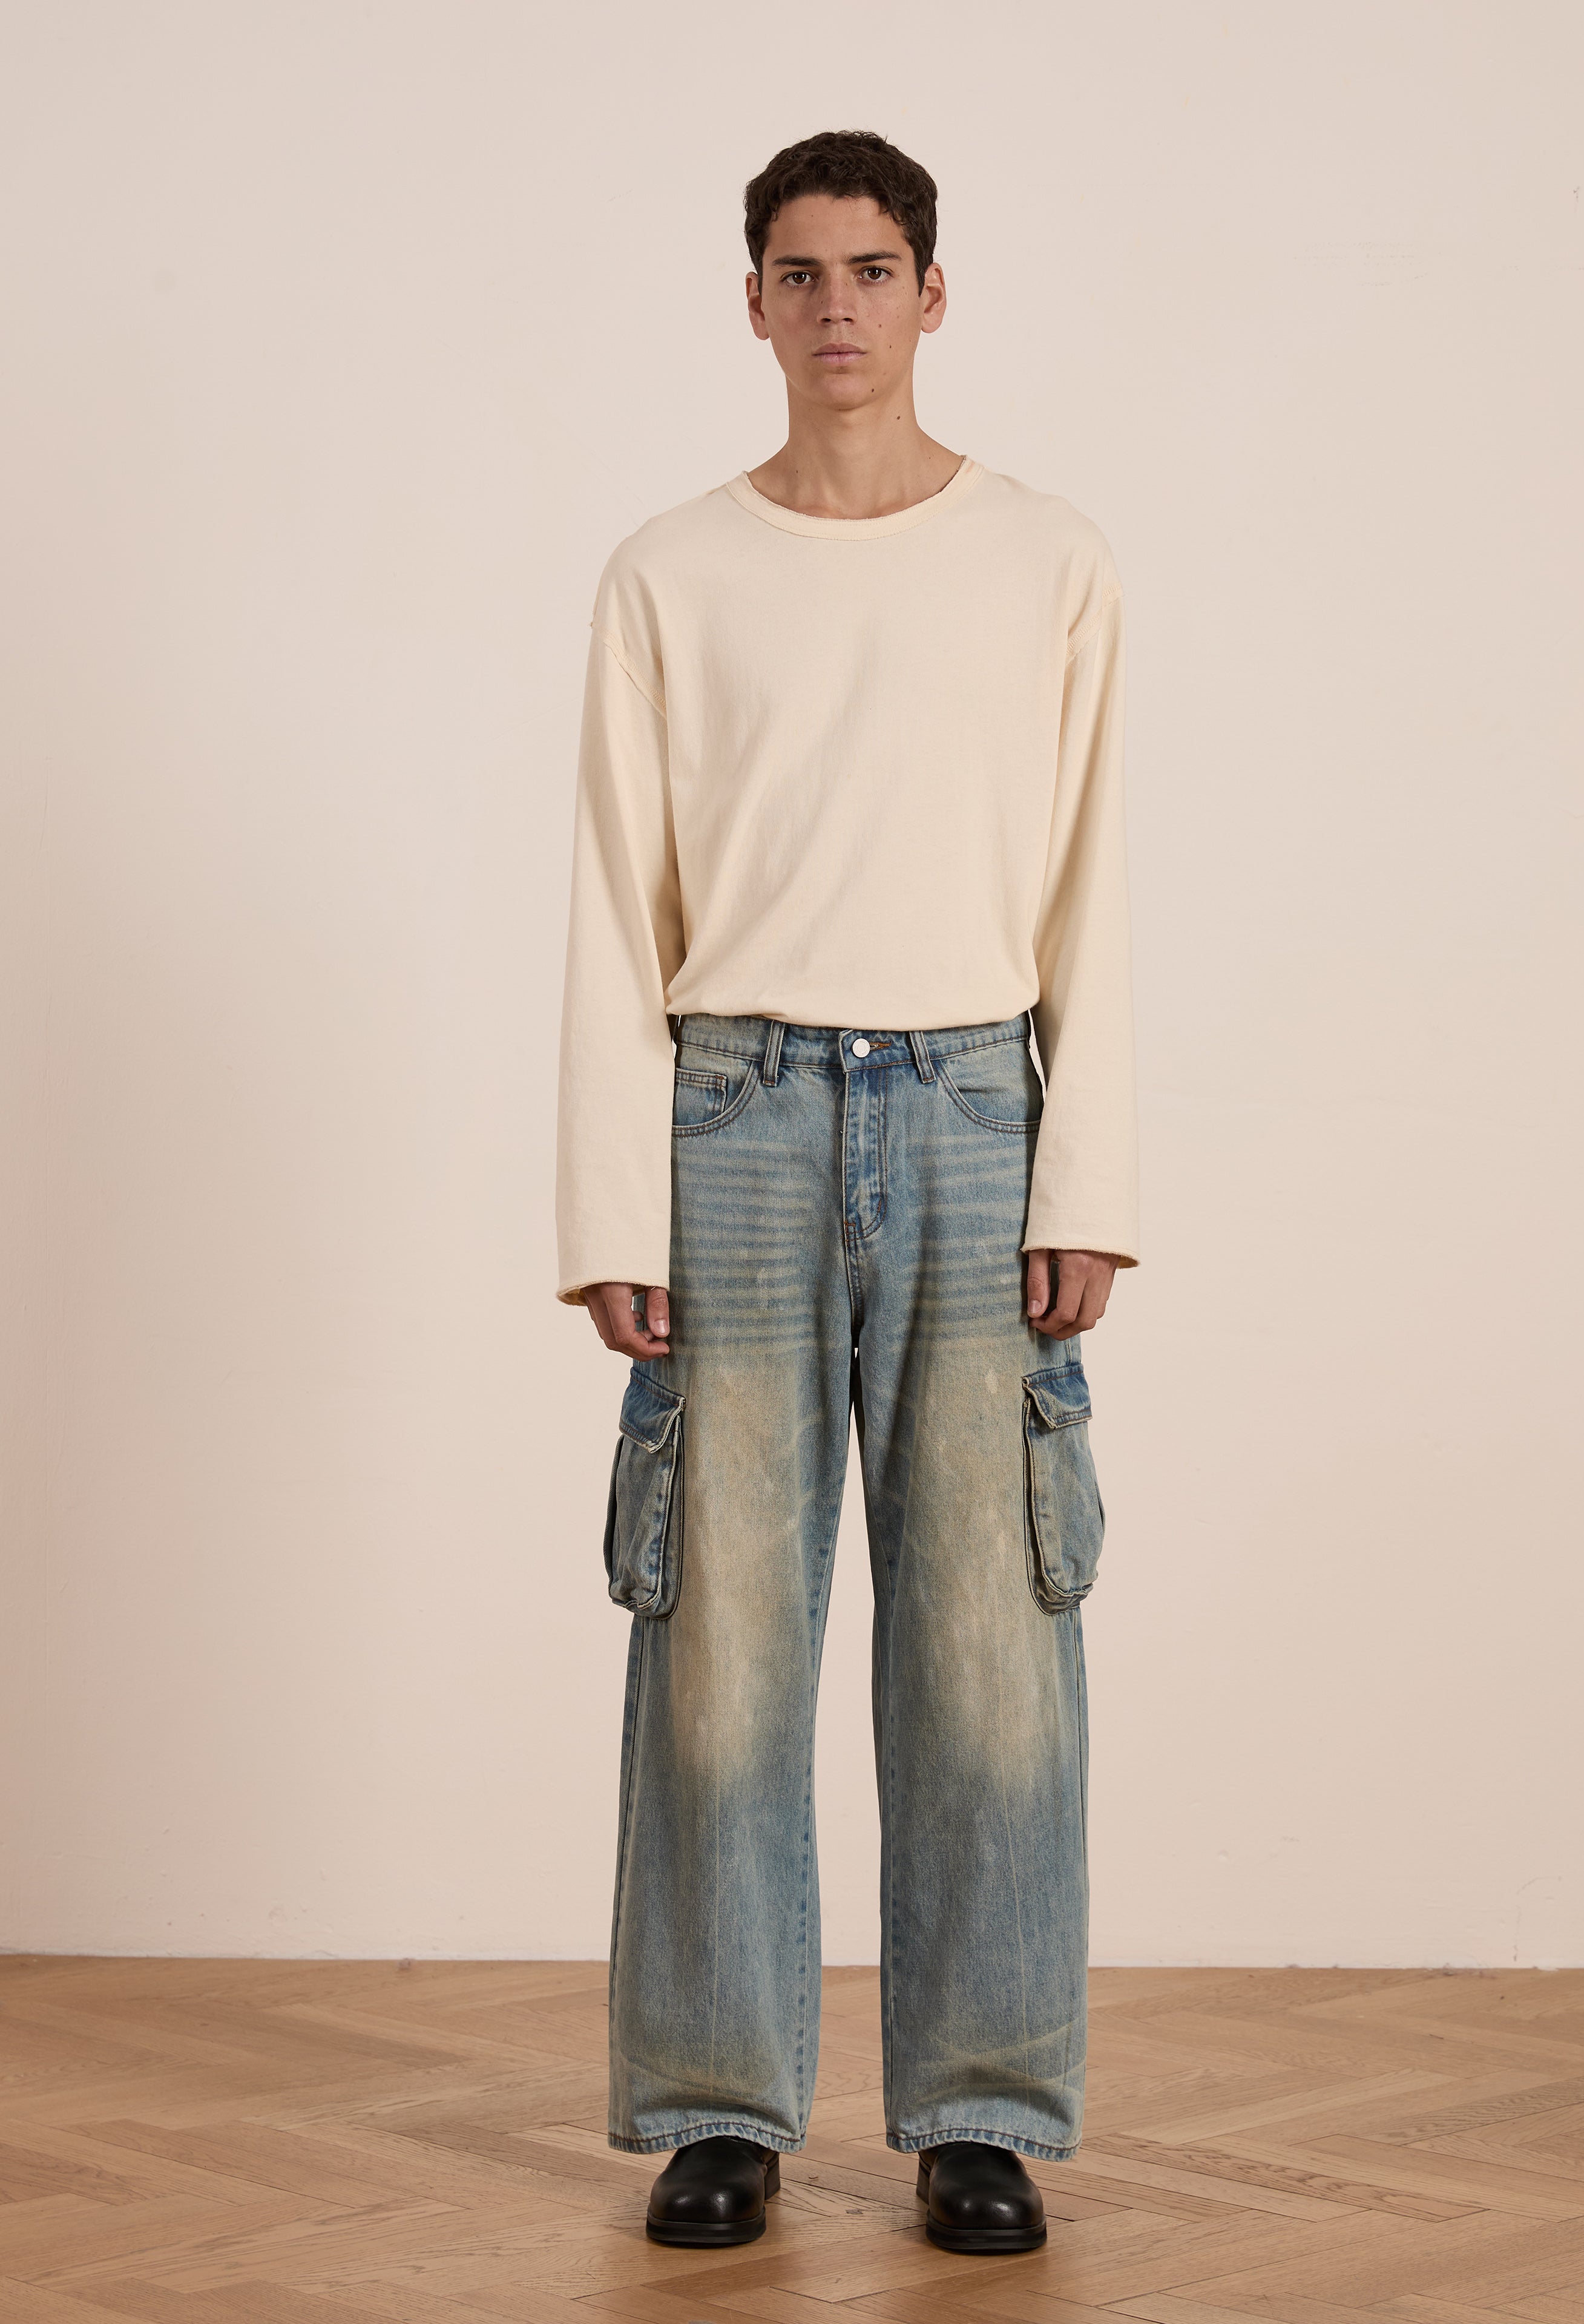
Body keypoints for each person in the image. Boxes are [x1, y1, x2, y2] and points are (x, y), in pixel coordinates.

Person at [554, 128, 1139, 2257]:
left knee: (989, 1639)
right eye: (797, 274)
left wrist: (1091, 1171)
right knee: (718, 1642)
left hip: (982, 1109)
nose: (836, 311)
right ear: (753, 304)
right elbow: (621, 910)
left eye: (871, 270)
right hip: (737, 1116)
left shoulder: (1050, 560)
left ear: (933, 293)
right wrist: (613, 1213)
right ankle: (722, 2102)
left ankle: (977, 2107)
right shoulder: (668, 575)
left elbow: (1099, 890)